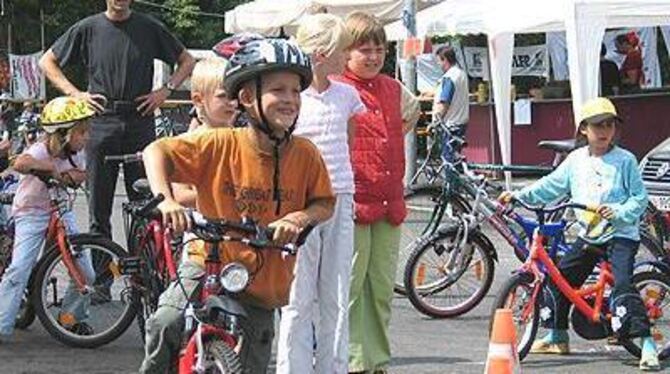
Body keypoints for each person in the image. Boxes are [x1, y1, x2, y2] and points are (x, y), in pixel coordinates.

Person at [138, 38, 335, 374]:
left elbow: (324, 203)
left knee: (254, 363)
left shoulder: (305, 153)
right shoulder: (219, 142)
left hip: (263, 277)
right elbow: (156, 151)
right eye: (278, 90)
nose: (289, 99)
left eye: (295, 91)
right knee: (165, 321)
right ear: (246, 98)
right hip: (210, 261)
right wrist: (167, 200)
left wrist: (299, 218)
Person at [498, 97, 660, 372]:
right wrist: (517, 195)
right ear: (583, 129)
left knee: (622, 285)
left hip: (621, 234)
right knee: (560, 278)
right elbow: (550, 187)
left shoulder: (626, 160)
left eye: (609, 125)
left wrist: (619, 212)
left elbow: (639, 199)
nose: (604, 131)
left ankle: (646, 345)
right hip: (590, 235)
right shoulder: (575, 160)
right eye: (597, 125)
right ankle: (557, 336)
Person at [39, 0, 195, 238]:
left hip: (140, 118)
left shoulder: (148, 27)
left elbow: (187, 60)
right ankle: (102, 274)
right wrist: (76, 94)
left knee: (146, 206)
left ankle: (144, 273)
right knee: (98, 211)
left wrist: (165, 91)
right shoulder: (88, 28)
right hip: (102, 121)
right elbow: (47, 61)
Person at [276, 14, 364, 374]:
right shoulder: (294, 96)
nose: (349, 57)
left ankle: (333, 367)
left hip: (340, 197)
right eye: (344, 50)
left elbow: (349, 141)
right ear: (323, 53)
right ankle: (292, 368)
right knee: (297, 296)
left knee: (337, 294)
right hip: (300, 201)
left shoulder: (348, 95)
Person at [333, 12, 419, 374]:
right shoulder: (336, 87)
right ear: (345, 52)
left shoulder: (393, 88)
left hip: (389, 200)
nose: (372, 56)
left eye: (379, 49)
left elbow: (411, 115)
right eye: (363, 49)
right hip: (351, 201)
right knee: (349, 288)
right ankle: (352, 361)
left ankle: (376, 362)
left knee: (381, 288)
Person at [0, 96, 95, 339]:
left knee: (86, 271)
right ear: (62, 134)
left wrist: (71, 176)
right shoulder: (39, 149)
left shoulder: (77, 153)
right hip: (31, 213)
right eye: (81, 132)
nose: (86, 137)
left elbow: (81, 174)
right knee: (19, 269)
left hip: (61, 211)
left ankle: (70, 319)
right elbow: (21, 162)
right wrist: (49, 169)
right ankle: (2, 324)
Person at [171, 57, 238, 207]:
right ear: (198, 100)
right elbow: (181, 195)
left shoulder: (244, 140)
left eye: (234, 96)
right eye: (222, 96)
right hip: (201, 225)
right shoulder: (187, 144)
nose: (232, 102)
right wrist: (225, 198)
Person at [432, 44, 469, 138]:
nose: (439, 64)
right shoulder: (461, 74)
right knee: (455, 152)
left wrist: (435, 123)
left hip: (449, 126)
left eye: (439, 61)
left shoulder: (449, 77)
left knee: (447, 153)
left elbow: (444, 102)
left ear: (445, 59)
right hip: (460, 123)